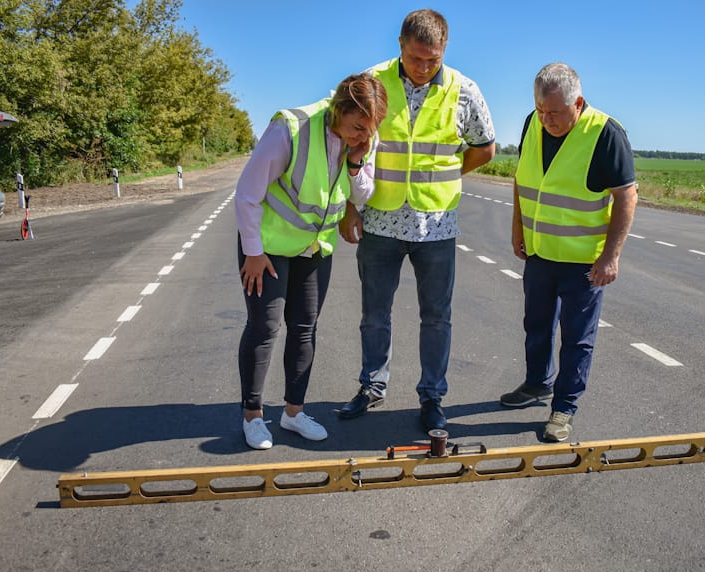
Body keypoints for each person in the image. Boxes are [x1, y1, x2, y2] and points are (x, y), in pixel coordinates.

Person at [337, 8, 495, 431]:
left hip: (436, 225)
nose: (423, 68)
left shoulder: (465, 91)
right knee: (374, 314)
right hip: (379, 221)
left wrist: (448, 174)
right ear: (400, 46)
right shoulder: (371, 83)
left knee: (436, 317)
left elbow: (484, 147)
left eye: (433, 60)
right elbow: (349, 143)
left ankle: (432, 397)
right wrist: (349, 206)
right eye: (415, 58)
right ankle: (372, 386)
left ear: (445, 50)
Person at [235, 74, 388, 450]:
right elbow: (247, 193)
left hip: (315, 248)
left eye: (370, 130)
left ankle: (293, 413)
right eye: (357, 127)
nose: (363, 136)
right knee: (264, 327)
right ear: (339, 109)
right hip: (268, 248)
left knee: (304, 328)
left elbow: (362, 194)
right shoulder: (290, 129)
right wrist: (253, 252)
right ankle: (253, 416)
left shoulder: (364, 137)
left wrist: (355, 163)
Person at [500, 62, 637, 442]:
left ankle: (563, 408)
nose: (547, 121)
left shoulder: (605, 133)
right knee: (536, 326)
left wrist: (611, 256)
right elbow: (522, 179)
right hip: (540, 253)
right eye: (541, 111)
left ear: (578, 102)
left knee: (577, 338)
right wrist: (517, 228)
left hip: (583, 261)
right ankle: (536, 384)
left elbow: (626, 196)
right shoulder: (533, 123)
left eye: (556, 113)